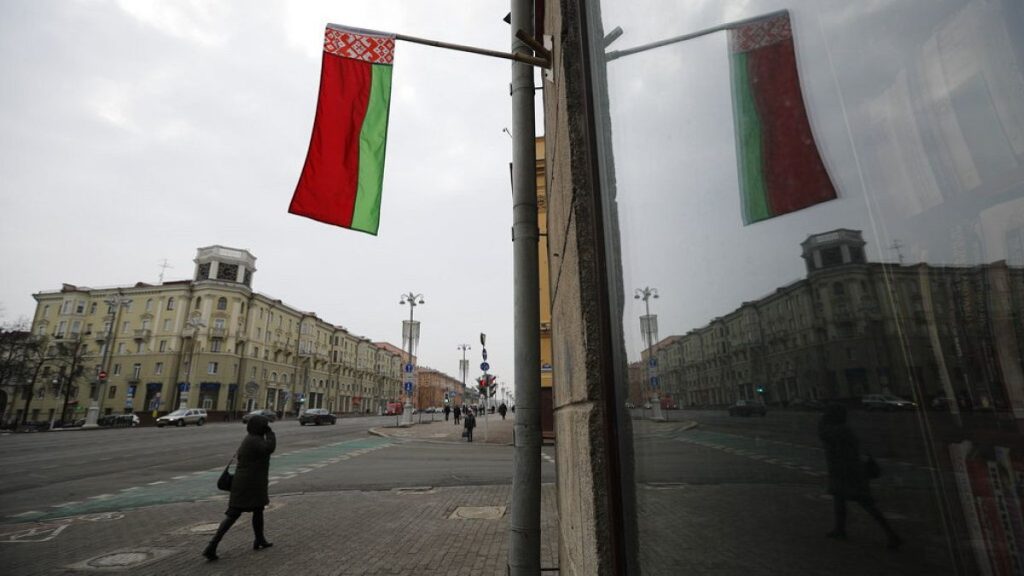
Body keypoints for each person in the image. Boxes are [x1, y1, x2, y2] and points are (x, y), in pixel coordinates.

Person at [818, 404, 901, 549]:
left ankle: (892, 534)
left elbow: (823, 434)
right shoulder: (844, 429)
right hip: (848, 472)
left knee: (864, 503)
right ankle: (840, 529)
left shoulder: (839, 431)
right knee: (841, 501)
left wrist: (822, 421)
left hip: (847, 473)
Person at [203, 415, 276, 561]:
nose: (266, 427)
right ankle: (212, 545)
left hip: (251, 482)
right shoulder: (254, 440)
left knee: (258, 510)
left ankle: (260, 539)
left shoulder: (253, 438)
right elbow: (269, 448)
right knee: (234, 514)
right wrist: (271, 433)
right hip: (247, 484)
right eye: (265, 425)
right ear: (260, 427)